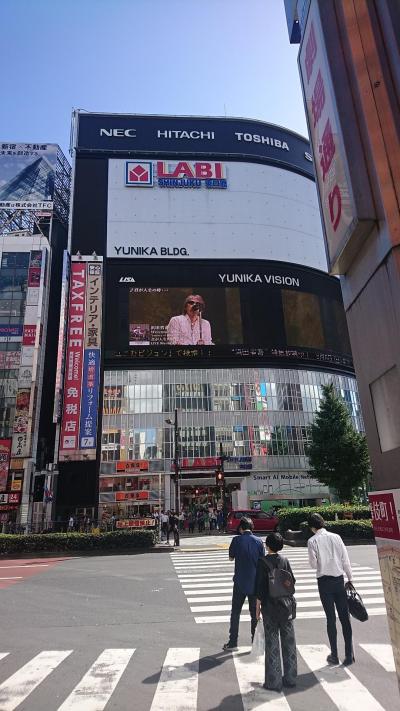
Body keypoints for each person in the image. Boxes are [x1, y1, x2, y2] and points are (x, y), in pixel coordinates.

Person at [307, 512, 354, 665]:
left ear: (312, 527)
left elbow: (313, 565)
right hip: (339, 580)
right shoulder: (336, 537)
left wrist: (320, 559)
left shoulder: (312, 541)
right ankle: (349, 655)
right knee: (345, 618)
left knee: (331, 619)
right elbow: (345, 560)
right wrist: (350, 579)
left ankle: (334, 654)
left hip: (324, 582)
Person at [255, 532, 297, 692]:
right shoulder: (285, 560)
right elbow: (292, 581)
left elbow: (260, 588)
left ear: (267, 545)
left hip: (270, 607)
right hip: (286, 606)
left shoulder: (262, 562)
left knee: (272, 643)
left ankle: (274, 681)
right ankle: (291, 678)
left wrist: (257, 609)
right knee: (289, 642)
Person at [222, 516, 264, 650]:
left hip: (240, 581)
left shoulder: (236, 540)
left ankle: (233, 642)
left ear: (240, 528)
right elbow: (262, 562)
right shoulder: (259, 541)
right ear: (252, 527)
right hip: (255, 582)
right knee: (254, 613)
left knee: (235, 612)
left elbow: (230, 558)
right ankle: (255, 642)